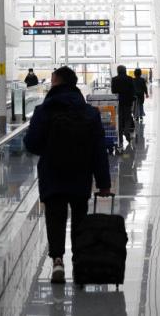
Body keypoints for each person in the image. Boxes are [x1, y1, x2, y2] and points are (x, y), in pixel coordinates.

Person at [23, 66, 111, 284]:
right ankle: (79, 261)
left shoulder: (43, 111)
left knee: (55, 217)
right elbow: (99, 150)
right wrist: (104, 183)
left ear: (56, 82)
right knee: (80, 217)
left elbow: (32, 144)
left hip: (52, 173)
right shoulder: (90, 113)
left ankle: (57, 261)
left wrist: (47, 147)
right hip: (81, 174)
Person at [111, 65, 135, 143]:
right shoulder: (130, 78)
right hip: (128, 101)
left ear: (118, 71)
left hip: (118, 101)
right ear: (125, 70)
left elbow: (113, 91)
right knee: (127, 117)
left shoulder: (114, 79)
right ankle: (126, 131)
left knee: (120, 118)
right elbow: (132, 90)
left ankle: (120, 134)